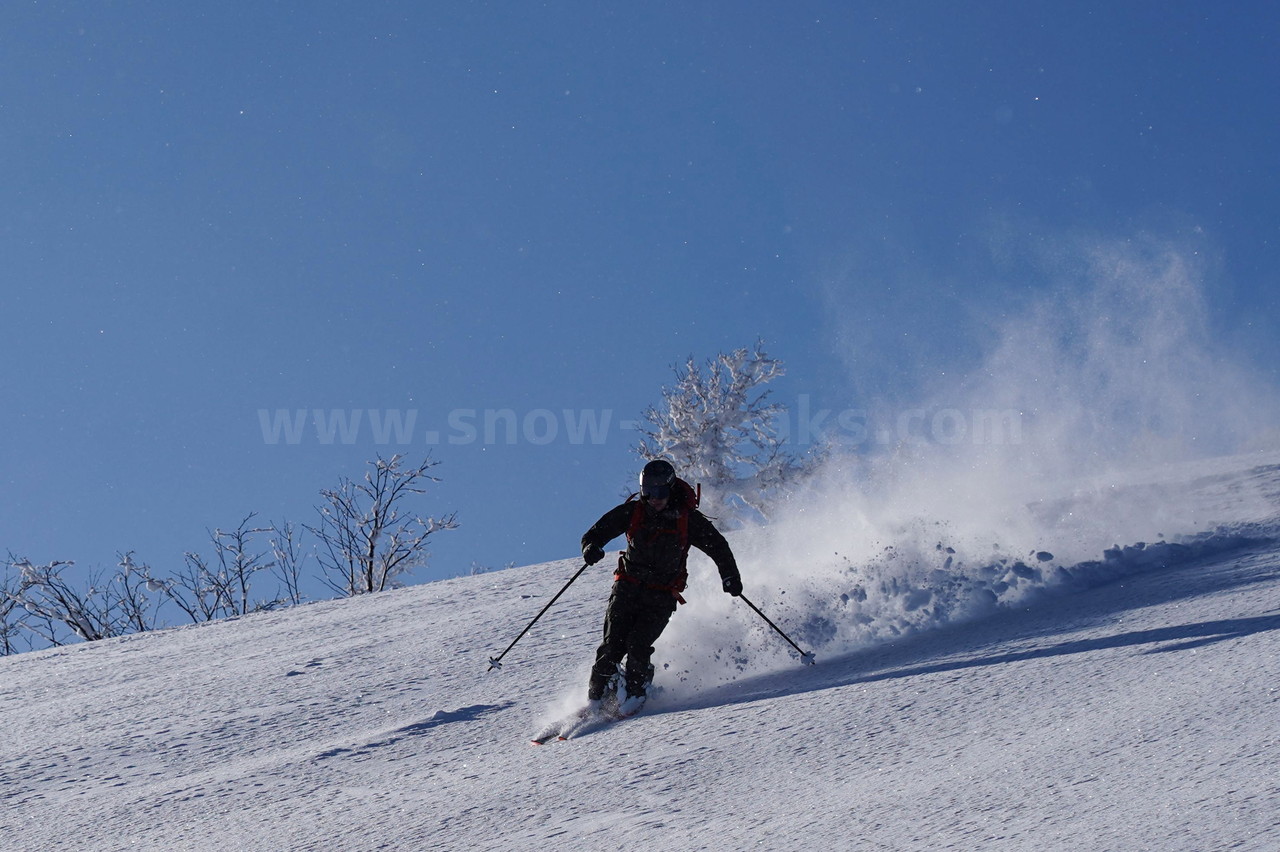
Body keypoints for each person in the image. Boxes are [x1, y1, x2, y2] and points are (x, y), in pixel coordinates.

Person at [580, 459, 743, 714]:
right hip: (627, 588)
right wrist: (591, 547)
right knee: (612, 646)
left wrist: (729, 576)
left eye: (660, 492)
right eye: (648, 492)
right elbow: (595, 533)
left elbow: (718, 546)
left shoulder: (687, 519)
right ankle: (595, 699)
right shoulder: (633, 512)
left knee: (637, 645)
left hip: (661, 595)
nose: (654, 498)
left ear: (670, 489)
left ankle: (635, 694)